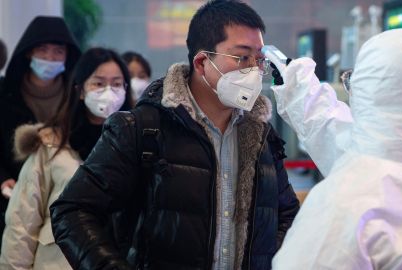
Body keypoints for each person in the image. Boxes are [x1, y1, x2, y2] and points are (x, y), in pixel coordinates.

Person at [50, 1, 300, 269]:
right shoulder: (142, 128)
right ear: (203, 62)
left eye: (259, 59)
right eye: (242, 57)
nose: (254, 69)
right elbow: (72, 211)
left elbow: (287, 214)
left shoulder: (261, 137)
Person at [270, 29, 402, 269]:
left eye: (355, 83)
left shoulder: (344, 204)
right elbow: (353, 144)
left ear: (375, 95)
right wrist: (298, 90)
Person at [0, 47, 132, 269]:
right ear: (80, 90)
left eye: (117, 84)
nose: (109, 91)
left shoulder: (137, 145)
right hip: (57, 260)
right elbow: (23, 220)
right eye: (98, 83)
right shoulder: (52, 143)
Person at [0, 16, 81, 236]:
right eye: (42, 50)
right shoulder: (6, 94)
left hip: (68, 196)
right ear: (28, 52)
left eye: (58, 51)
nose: (50, 57)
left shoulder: (77, 96)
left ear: (68, 54)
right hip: (13, 194)